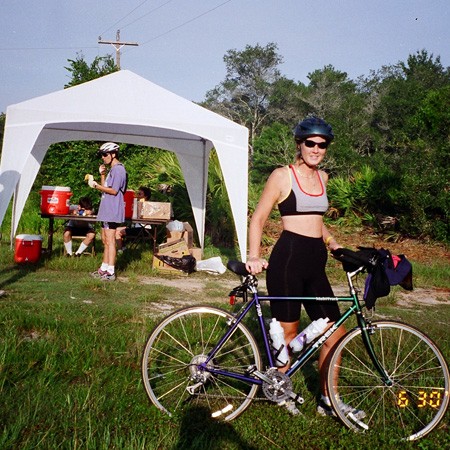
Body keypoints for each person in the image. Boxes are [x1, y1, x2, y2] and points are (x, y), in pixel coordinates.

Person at [245, 116, 364, 419]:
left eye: (322, 145)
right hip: (288, 261)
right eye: (310, 143)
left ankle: (329, 400)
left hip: (316, 263)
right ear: (299, 144)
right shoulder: (282, 176)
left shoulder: (323, 178)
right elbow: (258, 218)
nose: (316, 149)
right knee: (289, 334)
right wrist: (254, 255)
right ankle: (280, 392)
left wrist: (333, 243)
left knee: (334, 331)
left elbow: (317, 221)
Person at [87, 142, 128, 281]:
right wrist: (102, 175)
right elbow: (106, 186)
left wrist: (96, 186)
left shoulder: (119, 169)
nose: (103, 158)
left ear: (113, 154)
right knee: (105, 240)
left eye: (105, 155)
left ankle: (111, 272)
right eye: (102, 155)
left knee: (110, 241)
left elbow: (114, 190)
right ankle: (103, 269)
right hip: (106, 208)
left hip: (112, 209)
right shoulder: (112, 170)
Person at [115, 186, 151, 252]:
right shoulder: (135, 204)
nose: (137, 196)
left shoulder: (147, 206)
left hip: (143, 229)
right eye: (137, 194)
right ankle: (123, 247)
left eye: (140, 194)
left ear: (145, 196)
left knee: (119, 232)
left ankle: (120, 250)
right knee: (115, 229)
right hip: (136, 226)